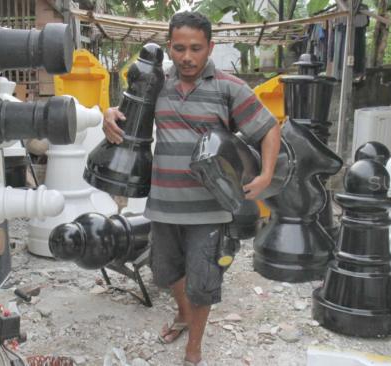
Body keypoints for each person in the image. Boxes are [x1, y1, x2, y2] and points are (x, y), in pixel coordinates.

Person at [102, 11, 281, 366]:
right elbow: (127, 113)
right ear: (169, 47)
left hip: (210, 207)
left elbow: (269, 127)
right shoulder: (155, 84)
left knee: (203, 280)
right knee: (167, 272)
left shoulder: (229, 87)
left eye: (196, 48)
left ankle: (193, 349)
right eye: (180, 48)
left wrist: (265, 176)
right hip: (164, 204)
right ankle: (183, 314)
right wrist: (108, 114)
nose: (187, 57)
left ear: (210, 47)